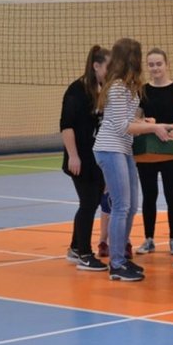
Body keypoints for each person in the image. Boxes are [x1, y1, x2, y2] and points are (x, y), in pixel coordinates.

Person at [93, 37, 173, 282]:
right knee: (121, 206)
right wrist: (154, 128)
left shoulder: (128, 86)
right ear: (132, 58)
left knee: (131, 205)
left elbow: (128, 121)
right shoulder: (118, 87)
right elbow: (121, 126)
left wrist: (145, 122)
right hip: (110, 149)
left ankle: (122, 257)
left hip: (123, 148)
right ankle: (117, 263)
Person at [134, 48, 173, 257]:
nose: (155, 68)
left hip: (171, 151)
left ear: (167, 65)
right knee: (149, 195)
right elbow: (135, 120)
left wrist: (168, 127)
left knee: (172, 195)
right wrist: (149, 125)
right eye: (151, 65)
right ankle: (148, 239)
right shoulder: (142, 91)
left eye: (159, 64)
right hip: (148, 151)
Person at [61, 45, 110, 271]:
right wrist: (73, 156)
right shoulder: (77, 90)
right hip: (80, 159)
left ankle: (75, 247)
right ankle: (85, 254)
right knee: (88, 203)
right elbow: (66, 126)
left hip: (97, 158)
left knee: (92, 201)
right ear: (96, 66)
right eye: (109, 67)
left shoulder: (104, 90)